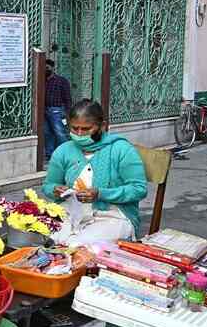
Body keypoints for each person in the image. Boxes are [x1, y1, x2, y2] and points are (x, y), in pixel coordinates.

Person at [42, 99, 147, 246]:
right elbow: (48, 185)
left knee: (77, 245)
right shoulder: (64, 150)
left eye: (86, 129)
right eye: (74, 128)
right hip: (71, 212)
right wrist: (55, 190)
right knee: (52, 238)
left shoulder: (122, 149)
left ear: (101, 126)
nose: (79, 133)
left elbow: (138, 189)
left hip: (113, 215)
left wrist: (101, 194)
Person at [44, 60, 72, 162]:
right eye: (44, 68)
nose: (45, 70)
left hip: (57, 111)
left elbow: (67, 97)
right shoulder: (42, 80)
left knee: (60, 133)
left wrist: (67, 112)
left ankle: (67, 154)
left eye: (47, 68)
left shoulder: (61, 81)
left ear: (52, 68)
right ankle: (50, 154)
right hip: (44, 110)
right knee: (47, 133)